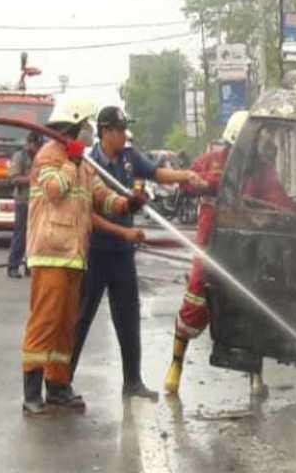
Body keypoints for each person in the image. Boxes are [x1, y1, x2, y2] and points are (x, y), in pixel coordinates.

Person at [69, 106, 206, 401]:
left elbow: (157, 173)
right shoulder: (89, 165)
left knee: (129, 319)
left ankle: (132, 381)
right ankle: (61, 382)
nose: (124, 135)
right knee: (81, 318)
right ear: (105, 132)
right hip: (96, 253)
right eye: (119, 130)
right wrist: (123, 232)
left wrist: (185, 175)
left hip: (122, 255)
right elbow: (89, 215)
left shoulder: (129, 159)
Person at [20, 98, 141, 416]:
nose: (90, 132)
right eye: (86, 125)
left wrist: (128, 204)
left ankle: (58, 387)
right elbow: (53, 191)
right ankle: (31, 393)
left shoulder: (85, 163)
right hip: (50, 255)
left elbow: (101, 197)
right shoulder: (50, 157)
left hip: (74, 256)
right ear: (74, 126)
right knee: (44, 324)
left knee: (66, 328)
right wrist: (70, 163)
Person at [165, 111, 273, 396]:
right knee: (194, 300)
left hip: (245, 248)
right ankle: (175, 367)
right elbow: (187, 182)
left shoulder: (260, 168)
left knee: (251, 309)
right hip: (210, 245)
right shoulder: (211, 162)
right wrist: (195, 183)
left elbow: (276, 196)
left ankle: (255, 379)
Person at [7, 132, 43, 279]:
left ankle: (30, 266)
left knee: (35, 236)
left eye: (38, 144)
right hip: (23, 201)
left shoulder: (41, 156)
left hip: (38, 201)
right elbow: (14, 179)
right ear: (28, 142)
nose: (36, 147)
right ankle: (13, 266)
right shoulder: (19, 156)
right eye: (34, 143)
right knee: (20, 236)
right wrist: (32, 179)